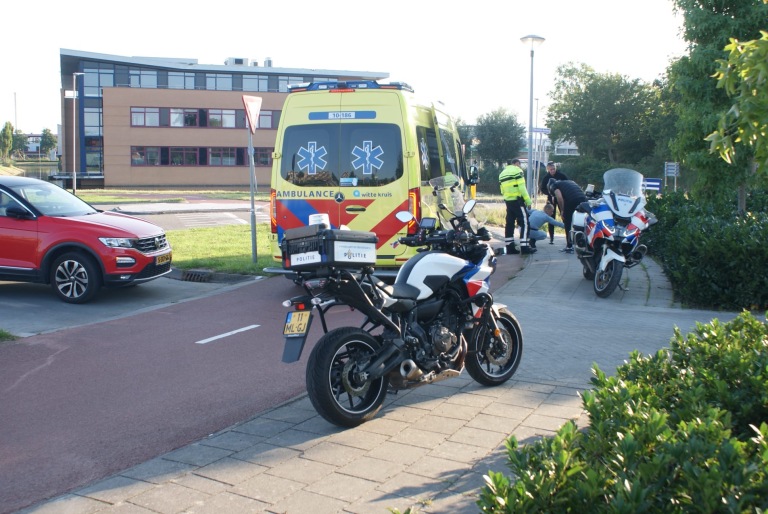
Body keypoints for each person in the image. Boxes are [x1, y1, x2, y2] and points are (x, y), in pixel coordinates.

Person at [499, 158, 535, 254]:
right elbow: (522, 187)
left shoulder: (502, 173)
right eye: (520, 164)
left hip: (508, 201)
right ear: (516, 163)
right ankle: (525, 247)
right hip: (517, 200)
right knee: (525, 222)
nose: (520, 166)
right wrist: (528, 201)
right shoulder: (517, 171)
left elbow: (502, 190)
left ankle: (510, 247)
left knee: (509, 223)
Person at [548, 178, 587, 253]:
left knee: (567, 222)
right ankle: (583, 243)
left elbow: (559, 197)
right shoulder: (568, 182)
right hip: (583, 198)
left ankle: (569, 246)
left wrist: (562, 210)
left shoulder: (554, 185)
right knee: (582, 221)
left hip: (572, 200)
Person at [538, 161, 569, 244]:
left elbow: (567, 184)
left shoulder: (561, 176)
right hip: (551, 199)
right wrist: (550, 194)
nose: (552, 171)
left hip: (561, 198)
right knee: (551, 217)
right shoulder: (546, 178)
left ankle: (568, 236)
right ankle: (551, 237)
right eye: (551, 169)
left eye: (554, 169)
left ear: (556, 168)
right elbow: (542, 189)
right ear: (548, 169)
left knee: (564, 215)